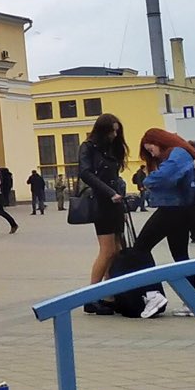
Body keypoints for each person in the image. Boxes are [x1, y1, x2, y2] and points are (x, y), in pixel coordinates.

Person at [132, 129, 195, 310]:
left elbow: (165, 177)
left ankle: (153, 293)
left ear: (159, 141)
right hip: (181, 209)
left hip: (172, 208)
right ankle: (191, 302)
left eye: (151, 149)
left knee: (140, 248)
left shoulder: (177, 154)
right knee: (180, 255)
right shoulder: (181, 153)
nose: (151, 154)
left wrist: (147, 181)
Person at [76, 114, 130, 284]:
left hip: (115, 201)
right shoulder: (88, 147)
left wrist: (120, 192)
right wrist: (109, 192)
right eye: (111, 132)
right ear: (102, 131)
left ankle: (110, 293)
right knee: (107, 250)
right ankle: (92, 295)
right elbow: (85, 173)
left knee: (117, 250)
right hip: (102, 201)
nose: (114, 135)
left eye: (116, 132)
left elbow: (114, 175)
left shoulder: (112, 147)